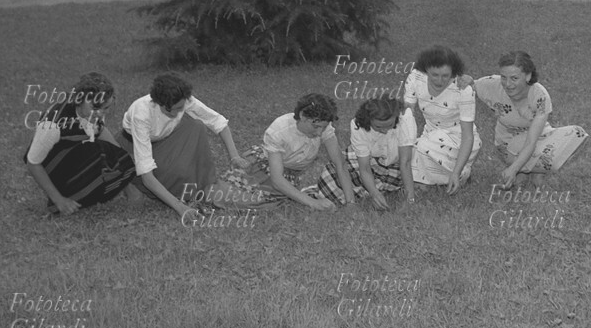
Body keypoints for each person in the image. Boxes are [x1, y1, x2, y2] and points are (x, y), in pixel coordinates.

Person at [118, 73, 248, 220]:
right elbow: (147, 175)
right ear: (159, 103)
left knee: (196, 126)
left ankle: (201, 187)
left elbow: (218, 122)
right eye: (173, 109)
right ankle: (133, 183)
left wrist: (234, 156)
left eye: (181, 107)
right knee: (159, 175)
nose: (178, 112)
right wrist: (180, 208)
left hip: (167, 137)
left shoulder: (184, 100)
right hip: (133, 145)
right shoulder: (141, 114)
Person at [462, 51, 588, 188]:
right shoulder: (492, 85)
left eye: (514, 78)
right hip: (507, 145)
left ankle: (530, 170)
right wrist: (465, 81)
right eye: (504, 77)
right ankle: (527, 169)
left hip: (537, 138)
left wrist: (513, 169)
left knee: (576, 133)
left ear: (528, 76)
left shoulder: (539, 96)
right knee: (527, 151)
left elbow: (531, 141)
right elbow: (467, 85)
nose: (507, 84)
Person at [24, 72, 138, 215]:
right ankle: (65, 198)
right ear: (79, 100)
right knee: (97, 152)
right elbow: (32, 163)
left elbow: (101, 132)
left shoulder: (91, 111)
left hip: (74, 155)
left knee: (116, 155)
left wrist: (125, 165)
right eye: (95, 109)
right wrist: (59, 200)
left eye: (106, 108)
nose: (101, 114)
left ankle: (98, 186)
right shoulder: (53, 126)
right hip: (56, 168)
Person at [221, 94, 354, 211]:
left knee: (277, 201)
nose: (320, 133)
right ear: (302, 116)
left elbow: (340, 164)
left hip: (288, 177)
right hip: (261, 170)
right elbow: (277, 180)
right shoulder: (280, 130)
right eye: (316, 126)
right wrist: (314, 203)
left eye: (323, 127)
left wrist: (350, 203)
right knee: (233, 198)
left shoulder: (324, 128)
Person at [317, 94, 417, 209]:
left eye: (390, 125)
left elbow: (405, 163)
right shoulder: (358, 125)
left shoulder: (405, 118)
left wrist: (410, 200)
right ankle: (375, 187)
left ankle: (373, 186)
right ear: (369, 120)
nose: (384, 131)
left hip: (397, 165)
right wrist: (375, 193)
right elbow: (364, 167)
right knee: (331, 177)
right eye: (378, 127)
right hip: (370, 163)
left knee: (403, 174)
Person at [404, 45, 481, 194]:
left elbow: (468, 135)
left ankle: (458, 172)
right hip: (430, 133)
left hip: (458, 139)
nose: (439, 81)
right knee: (408, 149)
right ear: (426, 69)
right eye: (434, 75)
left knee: (422, 146)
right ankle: (436, 178)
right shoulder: (415, 77)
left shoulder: (463, 89)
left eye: (445, 76)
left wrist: (456, 172)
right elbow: (407, 113)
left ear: (454, 72)